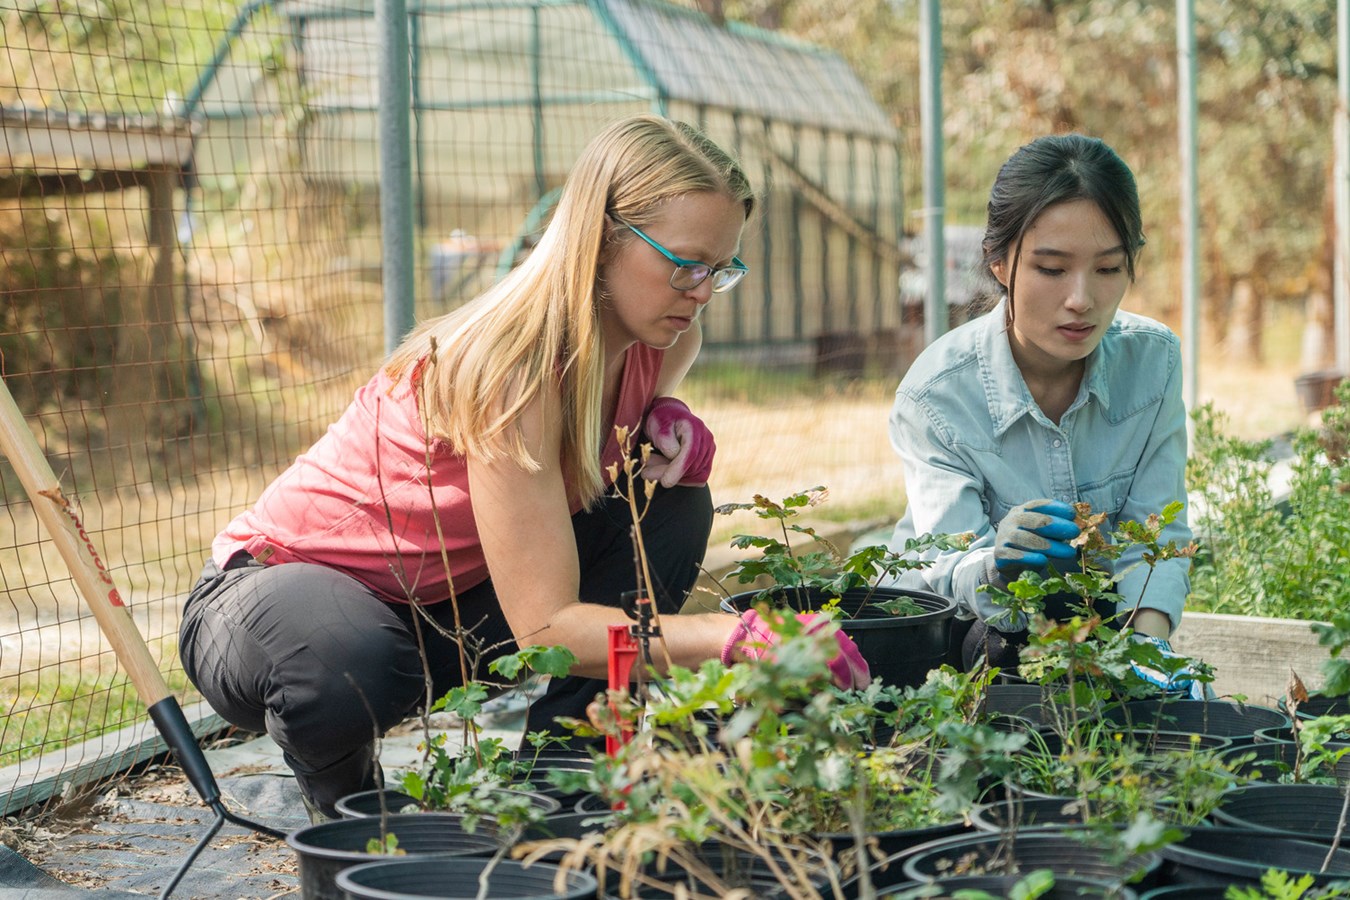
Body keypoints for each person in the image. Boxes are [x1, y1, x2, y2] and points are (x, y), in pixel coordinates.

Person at [178, 115, 866, 822]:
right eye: (685, 264)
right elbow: (546, 631)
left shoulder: (661, 342)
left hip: (435, 609)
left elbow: (623, 471)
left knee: (673, 503)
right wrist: (736, 637)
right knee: (348, 655)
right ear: (602, 240)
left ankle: (568, 779)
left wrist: (668, 418)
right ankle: (351, 817)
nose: (701, 291)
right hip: (266, 607)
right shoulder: (517, 371)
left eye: (721, 270)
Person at [886, 133, 1196, 688]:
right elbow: (942, 571)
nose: (1082, 299)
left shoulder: (1154, 363)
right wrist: (997, 565)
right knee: (1005, 655)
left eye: (1108, 269)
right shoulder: (936, 396)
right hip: (969, 639)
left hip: (1102, 628)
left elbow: (1158, 538)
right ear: (1000, 264)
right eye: (1052, 270)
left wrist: (1150, 649)